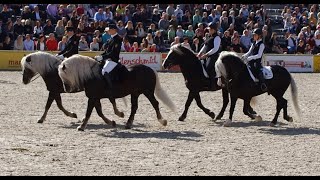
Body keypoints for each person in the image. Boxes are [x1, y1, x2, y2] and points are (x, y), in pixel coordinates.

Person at [94, 24, 123, 99]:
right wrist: (100, 56)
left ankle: (111, 88)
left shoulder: (118, 39)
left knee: (104, 71)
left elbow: (113, 52)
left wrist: (102, 57)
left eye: (110, 30)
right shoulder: (111, 39)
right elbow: (107, 51)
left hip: (113, 59)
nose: (108, 31)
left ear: (114, 30)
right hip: (108, 59)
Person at [197, 22, 221, 89]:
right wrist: (200, 53)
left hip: (214, 56)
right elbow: (205, 46)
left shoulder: (217, 37)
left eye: (210, 29)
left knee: (208, 67)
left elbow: (215, 48)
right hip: (207, 55)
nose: (208, 30)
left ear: (214, 30)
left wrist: (206, 54)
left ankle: (213, 84)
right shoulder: (209, 37)